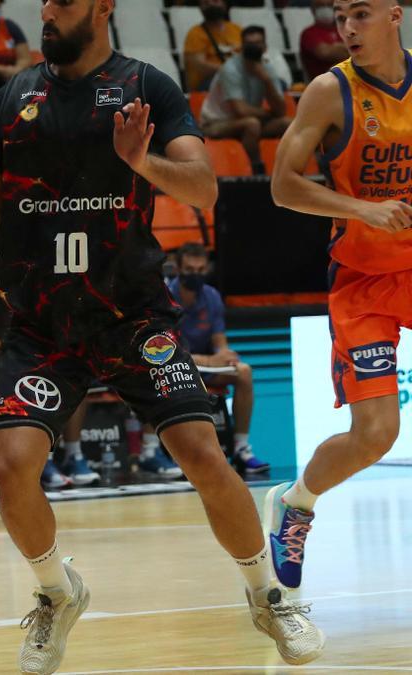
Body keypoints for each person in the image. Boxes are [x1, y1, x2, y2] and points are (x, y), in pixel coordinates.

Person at [0, 2, 323, 673]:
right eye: (45, 1)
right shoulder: (10, 98)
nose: (49, 10)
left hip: (132, 313)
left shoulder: (149, 88)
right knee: (11, 461)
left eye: (66, 1)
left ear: (104, 7)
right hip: (42, 319)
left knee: (201, 449)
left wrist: (142, 161)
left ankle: (267, 594)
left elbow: (203, 190)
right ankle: (57, 592)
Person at [268, 0, 412, 596]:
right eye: (339, 16)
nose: (347, 28)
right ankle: (296, 505)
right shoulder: (330, 92)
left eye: (361, 13)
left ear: (395, 14)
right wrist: (362, 209)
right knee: (377, 434)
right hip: (364, 278)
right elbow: (282, 187)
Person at [168, 242, 268, 474]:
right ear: (178, 269)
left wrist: (224, 355)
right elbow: (165, 354)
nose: (195, 275)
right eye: (190, 270)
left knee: (243, 371)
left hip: (203, 366)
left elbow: (219, 342)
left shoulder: (211, 296)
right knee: (170, 374)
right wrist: (209, 360)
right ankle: (175, 452)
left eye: (200, 270)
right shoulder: (164, 298)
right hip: (173, 368)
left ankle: (241, 447)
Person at [200, 25, 291, 175]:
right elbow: (240, 110)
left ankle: (289, 170)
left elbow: (281, 111)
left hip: (246, 122)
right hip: (215, 124)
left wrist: (267, 81)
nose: (254, 47)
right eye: (250, 44)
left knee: (288, 123)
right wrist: (269, 114)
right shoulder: (230, 69)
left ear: (265, 46)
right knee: (251, 124)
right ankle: (256, 170)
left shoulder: (267, 69)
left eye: (258, 43)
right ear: (242, 46)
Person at [184, 0, 243, 92]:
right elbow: (200, 67)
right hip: (209, 84)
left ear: (224, 4)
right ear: (200, 8)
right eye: (206, 3)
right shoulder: (195, 33)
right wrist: (229, 70)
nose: (211, 4)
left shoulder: (237, 29)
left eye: (215, 1)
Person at [301, 0, 349, 81]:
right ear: (313, 10)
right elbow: (325, 53)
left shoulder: (344, 29)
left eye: (329, 5)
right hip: (323, 85)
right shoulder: (309, 33)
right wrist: (349, 48)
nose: (325, 9)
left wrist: (336, 47)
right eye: (321, 6)